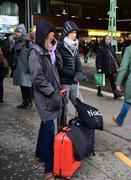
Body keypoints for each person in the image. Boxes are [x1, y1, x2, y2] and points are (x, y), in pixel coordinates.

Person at [28, 19, 62, 180]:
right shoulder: (35, 52)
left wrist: (55, 51)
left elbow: (57, 70)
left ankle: (39, 154)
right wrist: (52, 92)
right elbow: (38, 78)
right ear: (42, 36)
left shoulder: (48, 51)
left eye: (53, 38)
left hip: (51, 95)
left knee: (45, 127)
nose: (51, 40)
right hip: (45, 98)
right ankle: (49, 169)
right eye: (49, 38)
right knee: (49, 132)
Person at [57, 21, 86, 108]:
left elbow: (78, 61)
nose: (74, 35)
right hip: (64, 82)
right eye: (72, 32)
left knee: (81, 105)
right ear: (66, 32)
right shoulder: (59, 46)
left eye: (75, 32)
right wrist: (74, 74)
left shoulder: (75, 46)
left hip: (73, 82)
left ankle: (80, 121)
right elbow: (59, 68)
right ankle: (62, 122)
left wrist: (80, 72)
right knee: (62, 108)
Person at [13, 24, 32, 109]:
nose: (16, 33)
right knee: (22, 85)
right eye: (16, 32)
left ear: (22, 32)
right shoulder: (16, 42)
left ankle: (29, 102)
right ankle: (24, 101)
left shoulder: (28, 43)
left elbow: (32, 55)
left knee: (27, 85)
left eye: (18, 32)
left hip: (26, 68)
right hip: (19, 67)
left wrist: (30, 67)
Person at [95, 35, 120, 99]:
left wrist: (117, 66)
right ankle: (99, 91)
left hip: (110, 68)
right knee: (100, 79)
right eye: (107, 39)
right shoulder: (101, 48)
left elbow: (115, 58)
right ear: (104, 40)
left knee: (112, 81)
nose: (108, 40)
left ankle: (115, 93)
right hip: (103, 67)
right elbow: (98, 59)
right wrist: (99, 67)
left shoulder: (112, 48)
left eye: (109, 39)